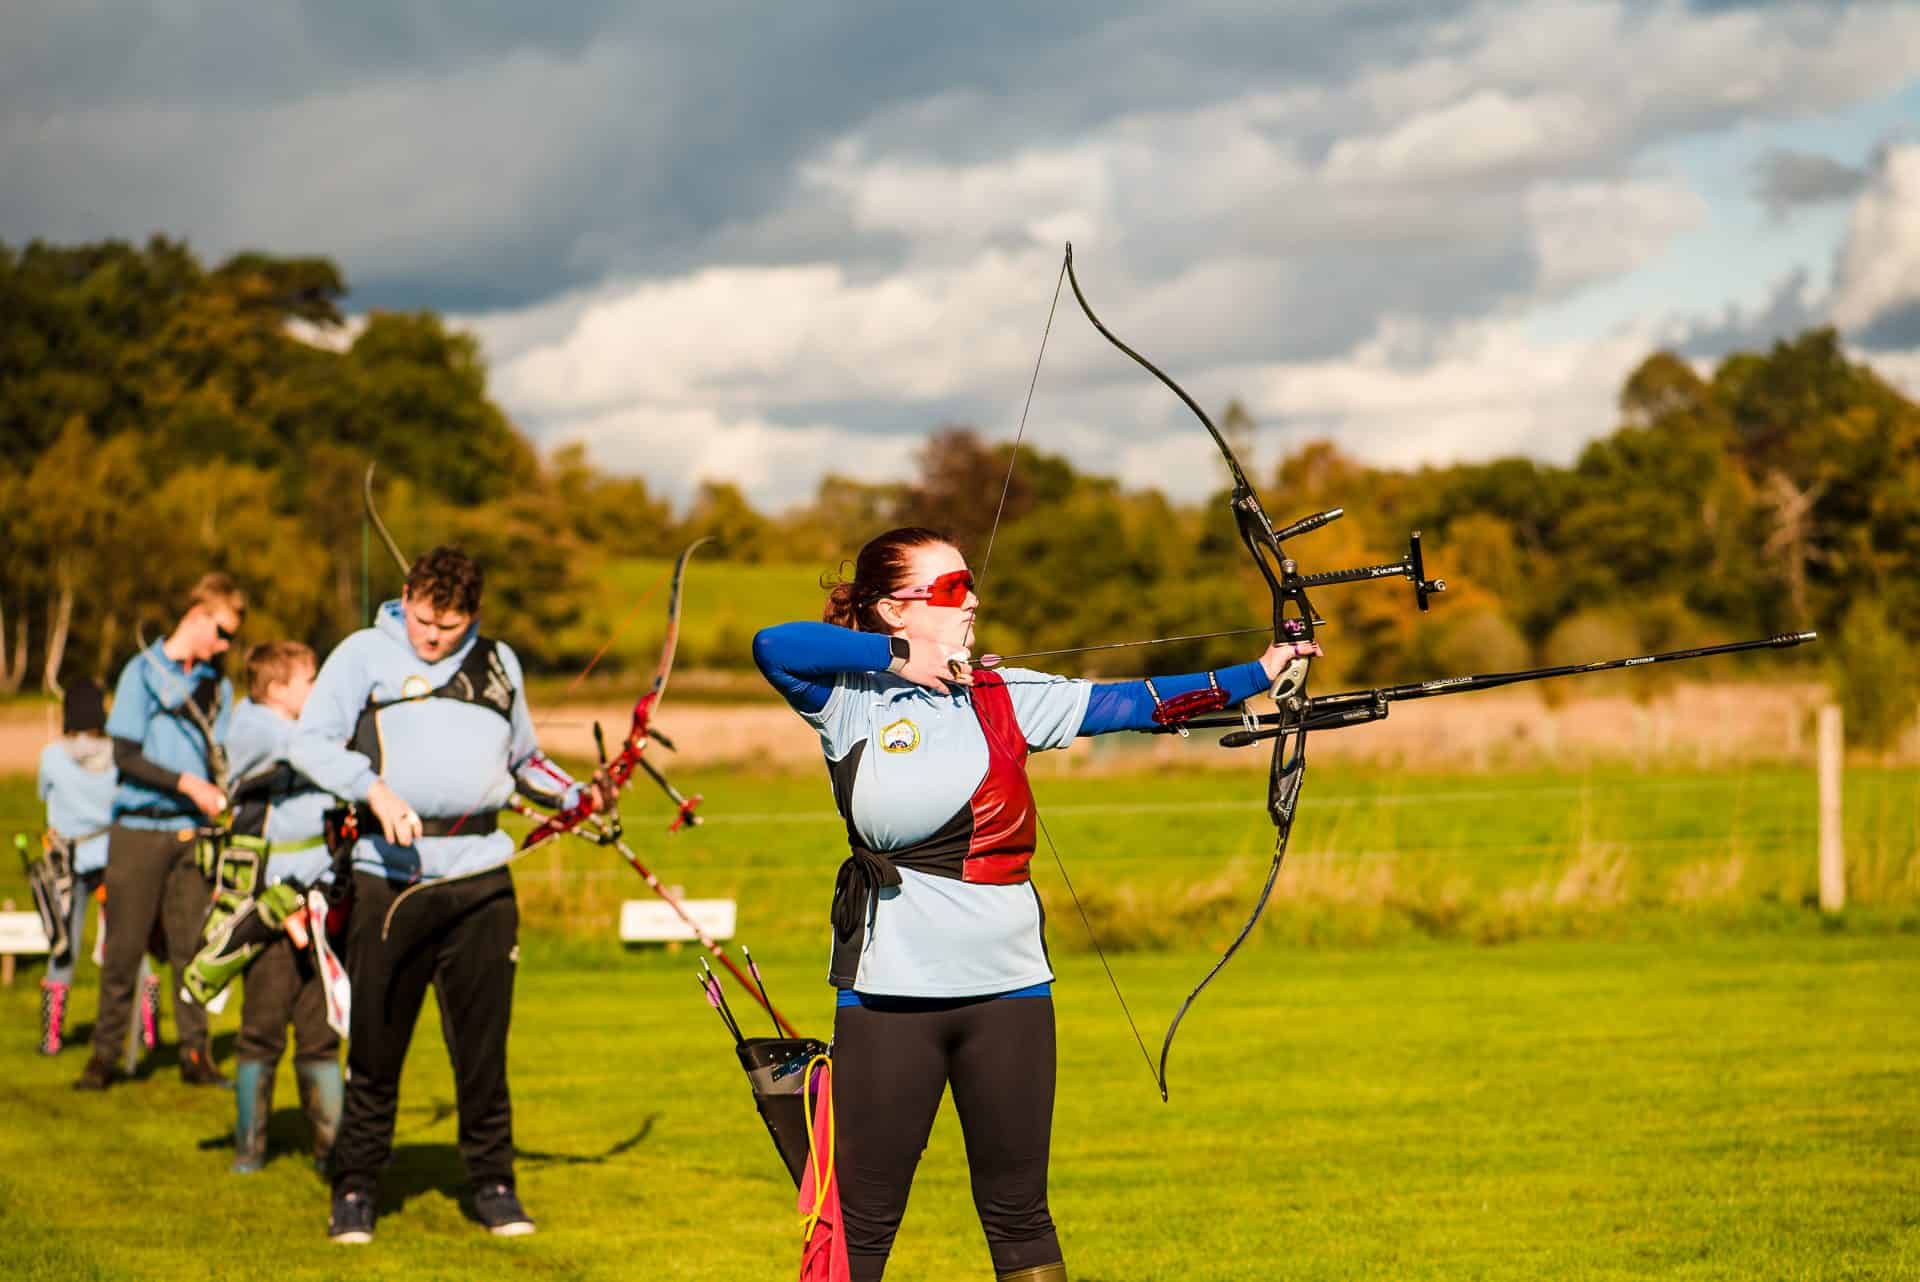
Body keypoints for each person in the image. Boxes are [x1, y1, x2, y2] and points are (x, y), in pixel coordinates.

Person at [752, 526, 1319, 1282]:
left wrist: (1258, 670)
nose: (974, 599)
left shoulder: (1003, 695)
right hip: (890, 995)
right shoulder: (847, 700)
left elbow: (1133, 703)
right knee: (860, 1218)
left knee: (1020, 1214)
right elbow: (772, 645)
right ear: (895, 609)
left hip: (1009, 992)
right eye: (953, 589)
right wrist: (900, 661)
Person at [292, 545, 592, 1244]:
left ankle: (492, 1184)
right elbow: (309, 744)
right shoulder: (362, 654)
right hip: (389, 878)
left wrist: (580, 796)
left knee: (483, 1049)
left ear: (474, 616)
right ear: (406, 596)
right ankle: (357, 1187)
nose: (433, 640)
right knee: (376, 1043)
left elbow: (526, 761)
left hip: (482, 879)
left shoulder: (497, 661)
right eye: (425, 622)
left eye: (450, 627)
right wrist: (373, 789)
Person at [75, 573, 244, 1090]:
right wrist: (186, 783)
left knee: (191, 947)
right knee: (123, 947)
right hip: (138, 830)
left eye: (232, 638)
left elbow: (226, 754)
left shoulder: (219, 685)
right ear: (196, 616)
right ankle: (104, 1059)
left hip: (192, 835)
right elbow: (125, 755)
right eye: (221, 632)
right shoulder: (140, 673)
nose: (225, 646)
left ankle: (196, 1056)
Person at [204, 640, 343, 1175]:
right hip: (268, 902)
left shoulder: (292, 726)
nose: (318, 692)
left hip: (319, 901)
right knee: (262, 1025)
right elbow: (307, 746)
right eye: (311, 682)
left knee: (320, 1029)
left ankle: (332, 1149)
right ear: (279, 689)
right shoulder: (255, 726)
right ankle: (250, 1147)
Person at [33, 679, 117, 1055]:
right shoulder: (117, 753)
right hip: (113, 856)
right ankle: (149, 1033)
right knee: (130, 944)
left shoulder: (53, 756)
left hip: (68, 861)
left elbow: (41, 793)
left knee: (63, 943)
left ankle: (51, 1038)